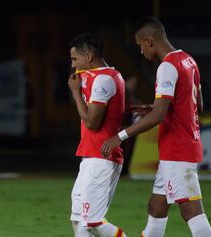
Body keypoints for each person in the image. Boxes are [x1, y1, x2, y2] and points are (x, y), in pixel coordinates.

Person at [101, 16, 211, 237]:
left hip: (178, 149)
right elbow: (197, 105)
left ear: (150, 41)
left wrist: (120, 136)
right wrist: (157, 105)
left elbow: (159, 116)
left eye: (140, 45)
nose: (141, 51)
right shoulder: (188, 60)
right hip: (179, 147)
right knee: (157, 207)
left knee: (191, 212)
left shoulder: (167, 67)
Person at [68, 33, 128, 237]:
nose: (73, 65)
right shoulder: (105, 75)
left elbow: (92, 122)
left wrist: (76, 93)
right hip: (90, 156)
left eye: (75, 59)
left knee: (93, 223)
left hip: (102, 157)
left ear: (89, 57)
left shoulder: (104, 79)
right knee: (79, 221)